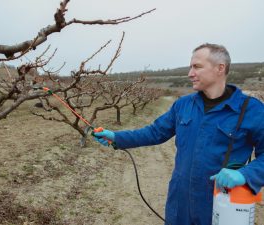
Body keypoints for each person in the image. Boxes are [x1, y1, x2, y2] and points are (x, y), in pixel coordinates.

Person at [94, 43, 264, 225]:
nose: (190, 73)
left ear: (220, 68)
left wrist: (246, 174)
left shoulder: (252, 110)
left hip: (222, 204)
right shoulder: (183, 104)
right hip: (180, 202)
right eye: (190, 67)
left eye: (197, 66)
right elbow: (155, 132)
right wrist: (117, 137)